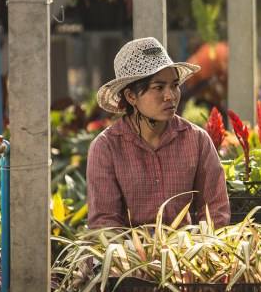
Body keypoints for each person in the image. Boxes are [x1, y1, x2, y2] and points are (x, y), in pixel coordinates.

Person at [87, 37, 231, 228]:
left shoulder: (196, 140)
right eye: (158, 87)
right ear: (131, 96)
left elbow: (215, 210)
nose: (170, 95)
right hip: (129, 254)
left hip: (188, 252)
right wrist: (135, 252)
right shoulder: (107, 147)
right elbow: (105, 221)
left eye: (174, 85)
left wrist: (198, 248)